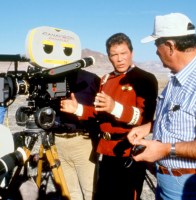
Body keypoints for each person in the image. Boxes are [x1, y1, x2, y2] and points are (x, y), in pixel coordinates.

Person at [127, 12, 196, 199]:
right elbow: (180, 117)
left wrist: (165, 149)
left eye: (156, 44)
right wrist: (148, 127)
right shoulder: (178, 78)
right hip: (169, 184)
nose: (155, 51)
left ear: (170, 46)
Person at [60, 33, 158, 200]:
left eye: (123, 53)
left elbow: (144, 119)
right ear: (109, 57)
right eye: (114, 55)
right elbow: (99, 113)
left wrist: (115, 108)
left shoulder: (145, 79)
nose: (119, 59)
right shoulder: (106, 79)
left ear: (132, 53)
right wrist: (78, 109)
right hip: (107, 152)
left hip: (129, 152)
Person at [54, 69, 100, 200]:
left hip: (83, 141)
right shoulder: (50, 78)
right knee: (70, 193)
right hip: (58, 141)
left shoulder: (90, 79)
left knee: (90, 192)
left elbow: (101, 111)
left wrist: (79, 110)